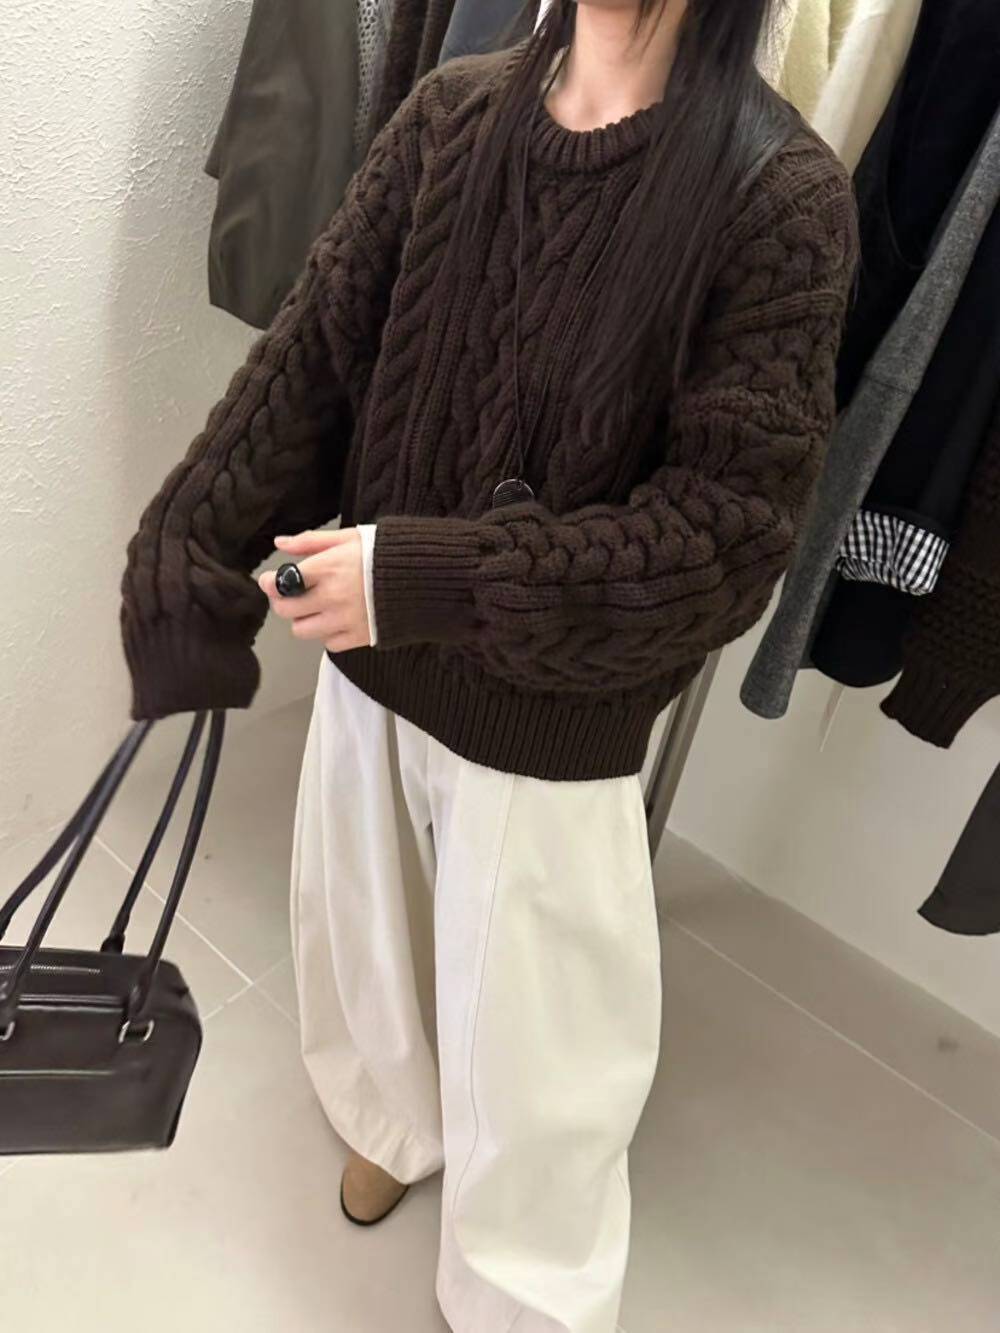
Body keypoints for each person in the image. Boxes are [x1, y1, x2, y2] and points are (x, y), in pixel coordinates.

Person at [120, 2, 858, 1328]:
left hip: (552, 718)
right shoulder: (452, 113)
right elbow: (310, 361)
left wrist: (421, 577)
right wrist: (185, 558)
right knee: (365, 940)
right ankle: (389, 1121)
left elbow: (723, 542)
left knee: (540, 1050)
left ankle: (524, 1290)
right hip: (369, 668)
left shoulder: (779, 195)